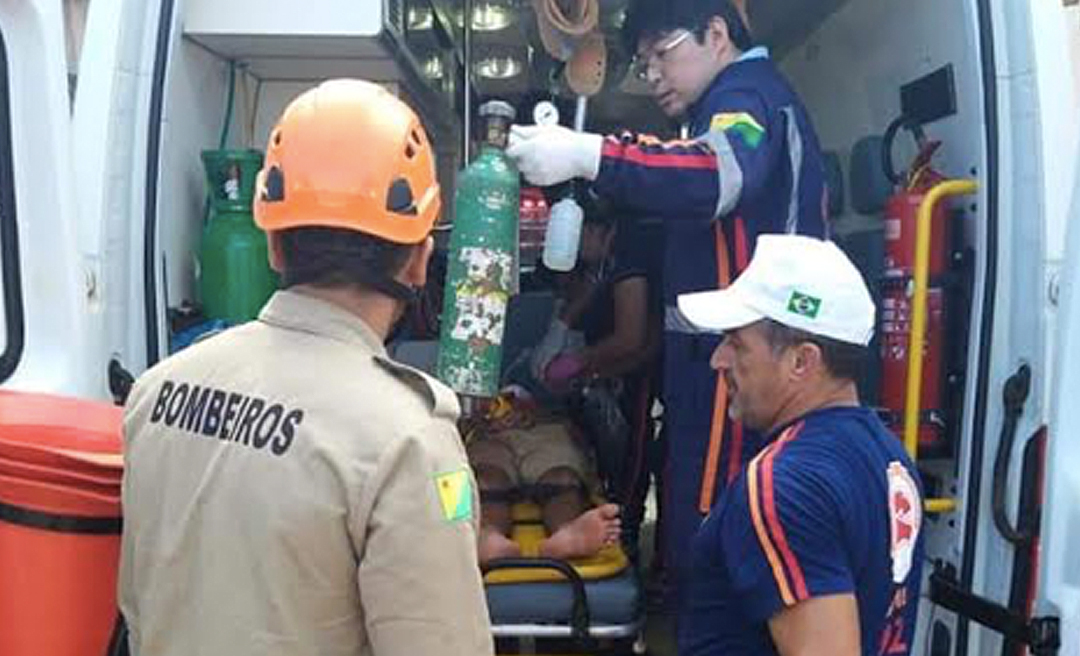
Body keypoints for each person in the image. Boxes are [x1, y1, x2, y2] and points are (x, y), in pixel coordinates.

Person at [118, 80, 493, 656]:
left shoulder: (156, 392)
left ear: (273, 246)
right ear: (419, 260)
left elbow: (139, 608)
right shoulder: (407, 441)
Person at [507, 0, 831, 610]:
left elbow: (715, 174)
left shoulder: (749, 97)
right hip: (708, 358)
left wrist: (591, 154)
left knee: (715, 520)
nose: (651, 74)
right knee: (691, 511)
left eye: (662, 54)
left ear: (716, 34)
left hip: (746, 354)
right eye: (644, 60)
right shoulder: (716, 108)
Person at [675, 235, 925, 656]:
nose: (718, 360)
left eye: (736, 343)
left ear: (801, 361)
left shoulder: (782, 483)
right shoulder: (889, 456)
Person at [530, 196, 665, 562]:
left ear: (594, 230)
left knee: (631, 461)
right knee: (599, 459)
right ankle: (606, 521)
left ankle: (626, 538)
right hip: (608, 369)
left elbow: (634, 338)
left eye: (576, 242)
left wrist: (582, 363)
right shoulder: (602, 263)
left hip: (639, 372)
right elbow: (586, 300)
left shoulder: (630, 258)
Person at [466, 387, 622, 565]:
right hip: (486, 433)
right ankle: (487, 534)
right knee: (485, 479)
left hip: (549, 426)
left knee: (563, 478)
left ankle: (568, 532)